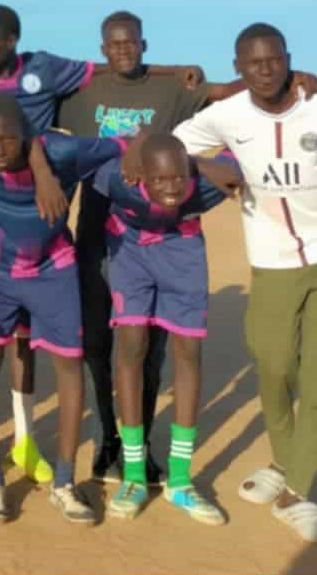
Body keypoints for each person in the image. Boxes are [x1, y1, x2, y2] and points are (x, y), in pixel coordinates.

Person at [54, 10, 317, 486]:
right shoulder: (83, 93)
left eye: (132, 43)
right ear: (102, 50)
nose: (124, 50)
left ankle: (143, 446)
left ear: (144, 44)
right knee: (98, 341)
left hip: (161, 233)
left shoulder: (172, 90)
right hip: (100, 232)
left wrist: (290, 79)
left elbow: (229, 89)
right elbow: (23, 100)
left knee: (150, 346)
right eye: (115, 44)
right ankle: (107, 438)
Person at [166, 23, 317, 543]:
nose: (266, 70)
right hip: (272, 264)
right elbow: (168, 143)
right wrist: (206, 164)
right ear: (238, 68)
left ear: (288, 58)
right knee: (273, 366)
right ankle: (283, 459)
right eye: (254, 63)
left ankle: (297, 491)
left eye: (274, 59)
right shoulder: (227, 115)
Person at [0, 93, 127, 522]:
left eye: (8, 140)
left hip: (53, 271)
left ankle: (64, 482)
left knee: (68, 364)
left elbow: (124, 144)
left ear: (27, 136)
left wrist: (43, 167)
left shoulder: (64, 152)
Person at [0, 4, 104, 483]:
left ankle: (24, 437)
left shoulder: (44, 68)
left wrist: (39, 164)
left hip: (38, 220)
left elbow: (108, 71)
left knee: (25, 339)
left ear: (13, 40)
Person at [92, 133, 241, 525]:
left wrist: (199, 163)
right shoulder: (117, 179)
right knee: (131, 348)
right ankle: (134, 475)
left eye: (179, 177)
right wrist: (134, 146)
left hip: (183, 254)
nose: (172, 188)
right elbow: (90, 161)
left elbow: (236, 154)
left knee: (188, 353)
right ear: (141, 174)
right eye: (159, 179)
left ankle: (179, 479)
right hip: (130, 254)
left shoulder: (208, 186)